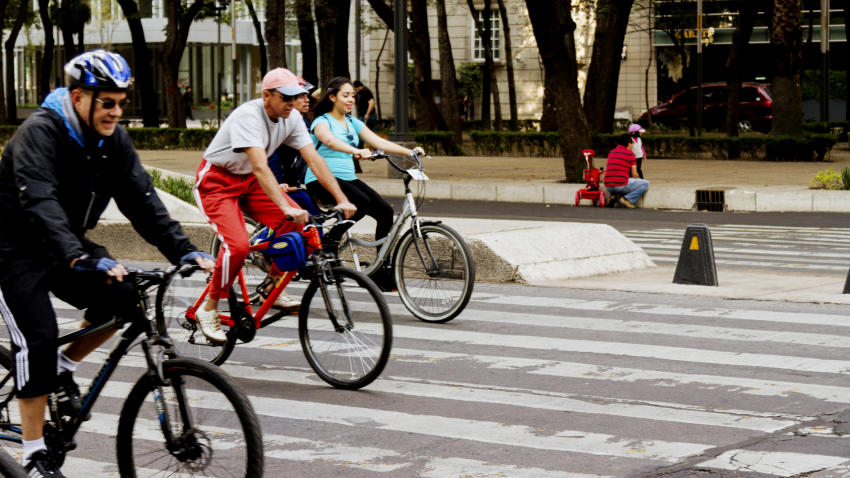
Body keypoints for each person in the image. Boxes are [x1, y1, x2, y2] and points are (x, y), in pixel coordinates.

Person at [0, 50, 215, 478]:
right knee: (38, 339)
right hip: (13, 247)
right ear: (78, 97)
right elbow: (40, 202)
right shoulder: (40, 132)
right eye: (107, 102)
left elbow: (142, 199)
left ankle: (64, 367)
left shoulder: (112, 140)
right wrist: (79, 256)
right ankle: (34, 453)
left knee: (124, 298)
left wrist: (183, 250)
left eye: (121, 103)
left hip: (66, 241)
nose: (116, 112)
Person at [193, 68, 355, 343]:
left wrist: (342, 198)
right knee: (238, 246)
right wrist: (286, 206)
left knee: (298, 226)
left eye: (296, 97)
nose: (292, 103)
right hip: (217, 182)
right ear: (267, 95)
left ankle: (271, 286)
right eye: (286, 97)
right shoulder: (248, 116)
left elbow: (314, 159)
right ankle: (209, 308)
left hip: (249, 180)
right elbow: (260, 166)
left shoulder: (291, 118)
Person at [305, 76, 425, 287]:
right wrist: (355, 150)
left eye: (352, 95)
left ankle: (380, 269)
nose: (351, 100)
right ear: (332, 97)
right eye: (345, 95)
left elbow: (378, 142)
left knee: (385, 212)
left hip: (348, 179)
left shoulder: (353, 123)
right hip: (320, 179)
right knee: (361, 201)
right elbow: (329, 141)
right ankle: (330, 241)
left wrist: (410, 152)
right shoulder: (322, 121)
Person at [604, 133, 650, 208]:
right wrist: (637, 180)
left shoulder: (611, 152)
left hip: (608, 186)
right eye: (633, 142)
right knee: (645, 184)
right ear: (629, 143)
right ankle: (627, 199)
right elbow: (635, 174)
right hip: (620, 185)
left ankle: (613, 196)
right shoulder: (630, 154)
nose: (633, 145)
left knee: (619, 179)